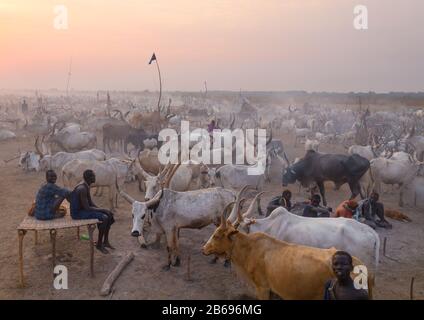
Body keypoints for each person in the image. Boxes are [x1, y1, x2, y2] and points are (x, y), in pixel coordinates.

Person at [70, 170, 115, 254]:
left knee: (108, 215)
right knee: (104, 218)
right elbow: (87, 207)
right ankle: (99, 244)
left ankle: (105, 241)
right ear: (89, 178)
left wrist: (104, 210)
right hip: (77, 214)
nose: (95, 178)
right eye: (94, 176)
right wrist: (103, 210)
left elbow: (90, 202)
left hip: (82, 209)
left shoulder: (86, 185)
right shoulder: (82, 188)